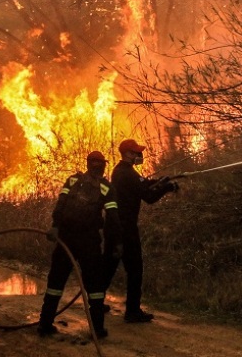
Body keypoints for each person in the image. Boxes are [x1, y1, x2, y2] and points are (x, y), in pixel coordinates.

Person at [38, 151, 121, 339]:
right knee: (95, 286)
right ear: (103, 166)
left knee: (56, 282)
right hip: (88, 242)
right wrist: (116, 243)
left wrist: (55, 227)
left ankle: (44, 324)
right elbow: (113, 219)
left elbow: (60, 205)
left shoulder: (73, 181)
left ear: (87, 164)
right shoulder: (106, 188)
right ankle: (97, 329)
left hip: (65, 239)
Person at [102, 138, 178, 323]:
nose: (139, 155)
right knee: (135, 269)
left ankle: (95, 302)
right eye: (136, 152)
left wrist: (160, 181)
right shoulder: (126, 174)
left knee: (109, 267)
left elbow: (143, 184)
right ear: (127, 154)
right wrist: (166, 188)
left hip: (114, 228)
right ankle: (132, 312)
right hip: (125, 229)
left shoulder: (122, 172)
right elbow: (149, 196)